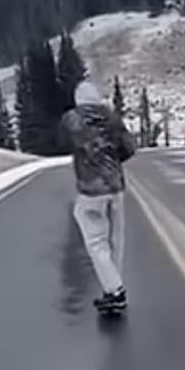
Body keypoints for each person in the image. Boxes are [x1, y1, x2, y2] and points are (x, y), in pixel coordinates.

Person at [60, 81, 137, 313]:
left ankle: (115, 290)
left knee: (96, 242)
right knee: (116, 241)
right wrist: (111, 161)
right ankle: (112, 290)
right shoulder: (111, 118)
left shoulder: (72, 119)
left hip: (91, 189)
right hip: (116, 186)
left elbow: (61, 144)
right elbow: (129, 148)